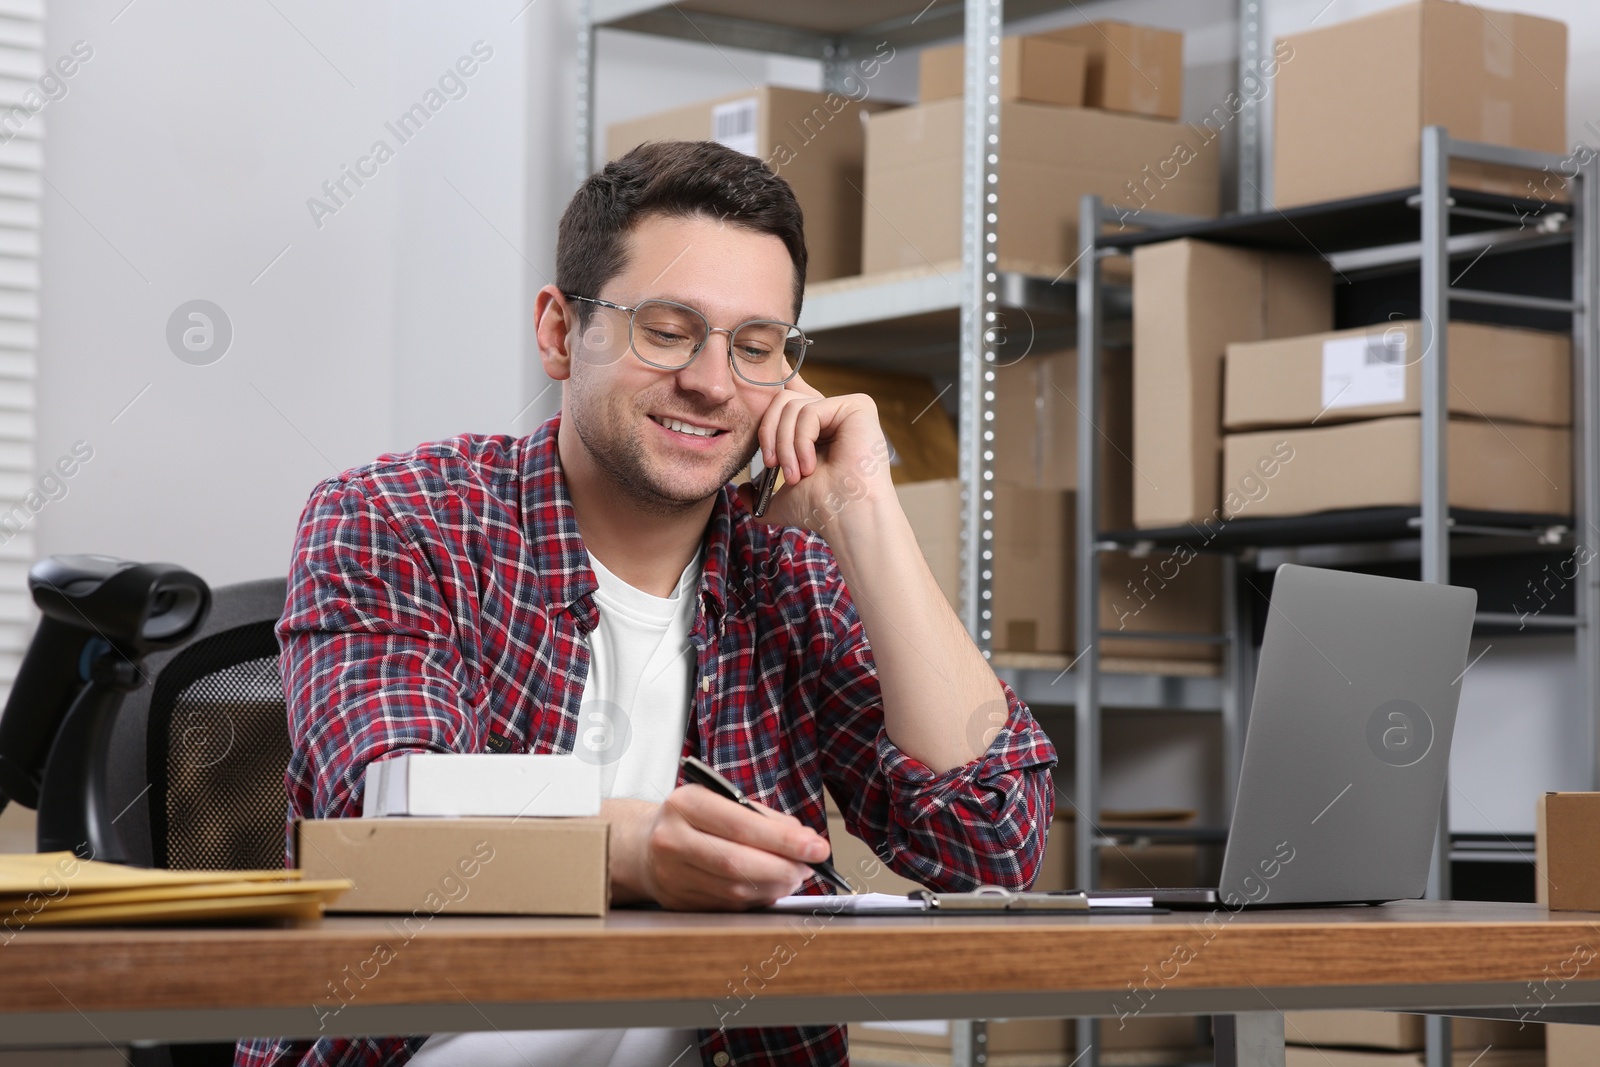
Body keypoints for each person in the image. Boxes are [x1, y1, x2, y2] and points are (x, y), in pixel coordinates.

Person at [235, 139, 1057, 1067]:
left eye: (756, 348)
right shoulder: (397, 519)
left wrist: (865, 509)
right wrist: (630, 848)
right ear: (558, 331)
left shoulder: (787, 572)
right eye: (666, 330)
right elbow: (385, 819)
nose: (712, 383)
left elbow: (992, 836)